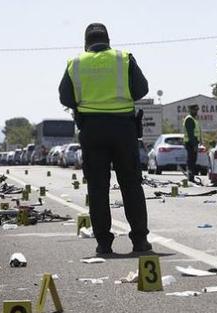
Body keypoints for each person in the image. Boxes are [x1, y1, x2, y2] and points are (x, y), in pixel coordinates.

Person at [59, 23, 152, 254]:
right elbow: (142, 89)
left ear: (85, 43)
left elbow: (65, 97)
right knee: (131, 185)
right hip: (123, 128)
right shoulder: (124, 58)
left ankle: (103, 243)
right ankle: (139, 241)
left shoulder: (76, 63)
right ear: (108, 40)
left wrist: (88, 102)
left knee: (98, 188)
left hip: (92, 129)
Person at [182, 104, 202, 182]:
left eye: (197, 110)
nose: (196, 111)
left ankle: (191, 176)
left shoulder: (193, 119)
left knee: (193, 160)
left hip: (193, 142)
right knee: (191, 160)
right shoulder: (189, 119)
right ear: (190, 110)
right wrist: (194, 145)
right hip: (190, 143)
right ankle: (190, 176)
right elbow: (190, 134)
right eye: (194, 110)